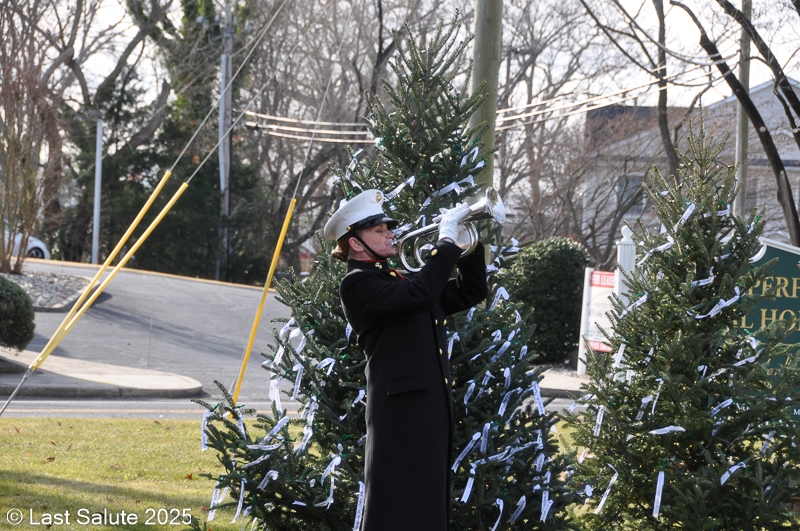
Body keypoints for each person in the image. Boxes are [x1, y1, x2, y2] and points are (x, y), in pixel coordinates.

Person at [324, 189, 489, 531]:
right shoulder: (357, 284)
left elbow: (470, 291)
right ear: (355, 243)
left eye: (388, 228)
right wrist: (444, 241)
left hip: (427, 409)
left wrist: (466, 244)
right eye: (379, 230)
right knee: (399, 505)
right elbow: (422, 294)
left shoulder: (399, 279)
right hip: (400, 414)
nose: (390, 234)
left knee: (425, 502)